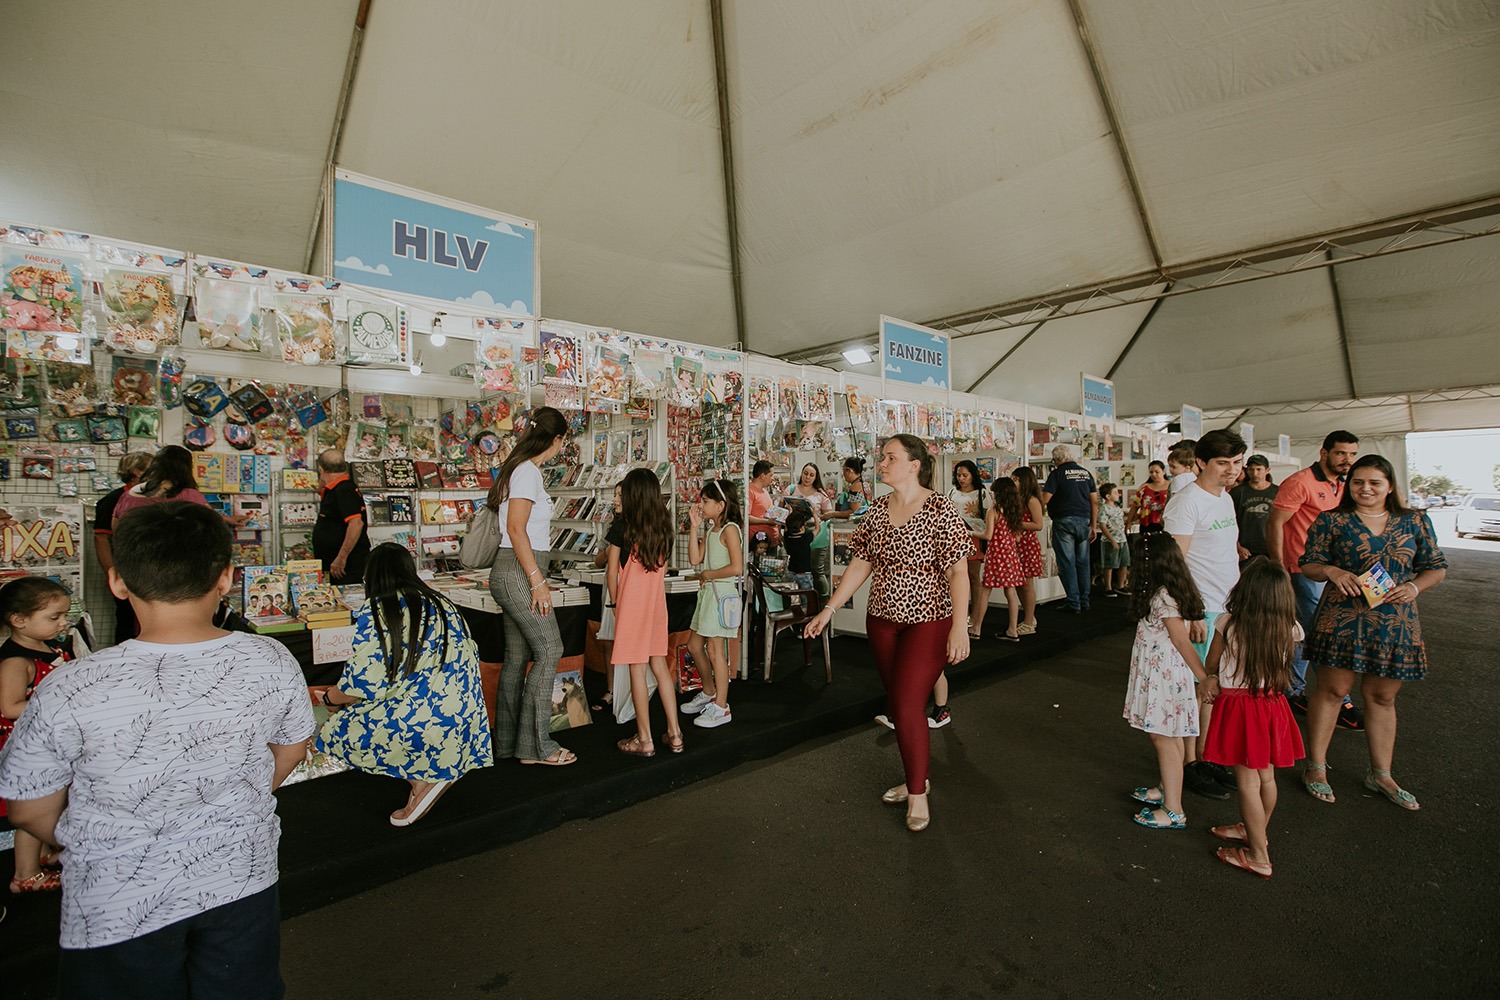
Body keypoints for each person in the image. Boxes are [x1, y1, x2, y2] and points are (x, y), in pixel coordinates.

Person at [0, 501, 314, 998]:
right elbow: (292, 748)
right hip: (242, 878)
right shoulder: (269, 657)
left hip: (117, 896)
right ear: (226, 578)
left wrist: (89, 834)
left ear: (118, 581)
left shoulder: (71, 685)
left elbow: (28, 808)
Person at [804, 435, 971, 833]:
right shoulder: (878, 509)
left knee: (910, 703)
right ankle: (918, 775)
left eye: (890, 458)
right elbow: (861, 563)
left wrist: (960, 627)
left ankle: (917, 793)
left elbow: (959, 572)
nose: (881, 463)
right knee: (899, 704)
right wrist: (828, 609)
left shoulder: (940, 508)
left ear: (914, 465)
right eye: (882, 458)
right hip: (881, 620)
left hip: (929, 620)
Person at [1298, 455, 1447, 810]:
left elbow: (1435, 567)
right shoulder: (1332, 520)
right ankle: (1315, 767)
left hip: (1394, 622)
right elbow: (1308, 564)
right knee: (1332, 691)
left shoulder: (1414, 521)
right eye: (1358, 482)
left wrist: (1414, 588)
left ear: (1390, 486)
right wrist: (1332, 572)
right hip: (1342, 618)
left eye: (1374, 483)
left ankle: (1381, 774)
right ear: (1349, 486)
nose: (1365, 489)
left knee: (1382, 698)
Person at [317, 543, 493, 825]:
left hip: (420, 720)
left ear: (370, 576)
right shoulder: (443, 603)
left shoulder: (379, 608)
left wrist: (328, 699)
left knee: (336, 730)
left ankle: (422, 782)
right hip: (466, 717)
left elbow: (360, 684)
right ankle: (434, 771)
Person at [1200, 559, 1306, 879]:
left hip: (1240, 707)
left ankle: (1258, 854)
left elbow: (1212, 662)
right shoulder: (1291, 628)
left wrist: (1211, 678)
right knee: (1267, 778)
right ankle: (1252, 829)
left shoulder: (1228, 623)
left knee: (1246, 782)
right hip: (1272, 705)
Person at [486, 407, 577, 766]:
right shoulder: (527, 473)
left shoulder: (519, 469)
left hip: (515, 569)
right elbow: (516, 529)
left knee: (518, 658)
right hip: (520, 571)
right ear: (557, 439)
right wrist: (538, 581)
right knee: (550, 650)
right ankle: (537, 746)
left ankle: (508, 742)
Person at [1162, 428, 1245, 801]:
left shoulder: (1224, 497)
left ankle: (1205, 759)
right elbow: (1174, 563)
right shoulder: (1186, 502)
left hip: (1226, 607)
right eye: (1223, 463)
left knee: (1212, 688)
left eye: (1237, 462)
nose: (1232, 470)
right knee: (1193, 692)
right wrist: (1190, 610)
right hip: (1202, 608)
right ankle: (1190, 765)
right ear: (1200, 463)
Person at [1266, 430, 1363, 727]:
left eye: (1351, 454)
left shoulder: (1344, 484)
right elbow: (1275, 523)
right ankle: (1339, 698)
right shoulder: (1300, 482)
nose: (1347, 460)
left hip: (1334, 571)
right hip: (1304, 570)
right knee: (1320, 633)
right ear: (1324, 453)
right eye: (1340, 453)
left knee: (1306, 633)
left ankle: (1293, 690)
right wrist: (1278, 566)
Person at [1123, 531, 1211, 830]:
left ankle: (1174, 809)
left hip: (1164, 679)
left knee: (1165, 738)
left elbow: (1181, 641)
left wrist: (1205, 679)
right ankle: (1165, 787)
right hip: (1161, 675)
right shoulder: (1168, 590)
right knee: (1163, 735)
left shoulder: (1163, 596)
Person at [0, 577, 74, 894]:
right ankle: (25, 875)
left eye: (63, 615)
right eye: (54, 617)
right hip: (26, 749)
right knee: (33, 812)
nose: (64, 622)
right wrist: (53, 705)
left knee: (52, 801)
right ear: (19, 620)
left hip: (47, 744)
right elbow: (9, 705)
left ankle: (42, 856)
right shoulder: (16, 661)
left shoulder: (46, 647)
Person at [610, 468, 682, 757]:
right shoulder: (663, 528)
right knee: (659, 666)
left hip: (631, 607)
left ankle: (644, 738)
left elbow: (611, 575)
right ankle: (675, 734)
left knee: (636, 670)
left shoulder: (622, 527)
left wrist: (616, 607)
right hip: (656, 606)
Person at [682, 479, 744, 729]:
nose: (701, 504)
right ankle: (709, 692)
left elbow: (737, 567)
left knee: (716, 651)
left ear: (720, 505)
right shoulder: (712, 530)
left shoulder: (730, 529)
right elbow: (696, 559)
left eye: (706, 501)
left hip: (720, 595)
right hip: (709, 595)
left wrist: (708, 575)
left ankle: (721, 706)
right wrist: (695, 527)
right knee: (694, 646)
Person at [111, 445, 249, 530]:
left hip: (134, 561)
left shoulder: (128, 495)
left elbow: (116, 528)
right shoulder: (188, 495)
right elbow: (210, 521)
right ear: (186, 468)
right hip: (173, 562)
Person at [92, 451, 153, 645]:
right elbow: (101, 539)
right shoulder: (113, 500)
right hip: (127, 572)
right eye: (151, 468)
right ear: (136, 472)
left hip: (151, 572)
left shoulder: (151, 497)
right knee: (127, 620)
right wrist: (111, 573)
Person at [1041, 445, 1098, 613]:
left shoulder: (1057, 474)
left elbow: (1045, 498)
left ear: (1057, 459)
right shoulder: (1086, 474)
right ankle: (1085, 600)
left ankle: (1074, 603)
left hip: (1064, 520)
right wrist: (1093, 525)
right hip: (1084, 521)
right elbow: (1094, 501)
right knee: (1083, 562)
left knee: (1067, 563)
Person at [976, 477, 1025, 642]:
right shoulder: (1015, 511)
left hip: (996, 555)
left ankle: (976, 628)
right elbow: (1017, 537)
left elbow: (987, 535)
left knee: (985, 591)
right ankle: (1013, 629)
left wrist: (970, 532)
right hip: (1010, 556)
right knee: (1010, 592)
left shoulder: (994, 511)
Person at [591, 483, 625, 714]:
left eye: (619, 495)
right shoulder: (613, 528)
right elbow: (598, 560)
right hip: (612, 586)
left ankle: (626, 692)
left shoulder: (642, 527)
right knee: (609, 639)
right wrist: (609, 552)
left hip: (628, 589)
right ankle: (612, 690)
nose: (615, 499)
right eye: (614, 495)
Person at [313, 449, 370, 584]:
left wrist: (341, 558)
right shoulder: (337, 488)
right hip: (335, 564)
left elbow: (356, 524)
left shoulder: (343, 490)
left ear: (320, 469)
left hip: (345, 567)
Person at [948, 460, 989, 635]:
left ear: (973, 474)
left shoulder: (982, 493)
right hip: (955, 537)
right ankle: (959, 615)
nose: (962, 479)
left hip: (974, 537)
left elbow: (988, 516)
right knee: (954, 576)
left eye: (965, 475)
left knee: (973, 576)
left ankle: (975, 616)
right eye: (958, 475)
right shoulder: (952, 492)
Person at [787, 463, 833, 596]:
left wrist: (816, 514)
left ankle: (823, 600)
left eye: (811, 475)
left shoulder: (820, 494)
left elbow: (828, 515)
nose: (807, 477)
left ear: (816, 477)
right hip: (794, 534)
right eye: (805, 473)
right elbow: (782, 510)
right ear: (801, 473)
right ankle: (800, 601)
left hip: (816, 533)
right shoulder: (791, 489)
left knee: (817, 570)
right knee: (797, 569)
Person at [1011, 466, 1045, 635]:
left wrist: (1016, 523)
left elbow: (1038, 524)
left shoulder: (1032, 500)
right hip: (1015, 544)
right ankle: (1028, 616)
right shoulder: (1016, 499)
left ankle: (1029, 621)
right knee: (1018, 583)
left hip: (1027, 545)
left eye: (1017, 479)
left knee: (1027, 584)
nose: (1014, 482)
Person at [1231, 454, 1278, 565]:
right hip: (1246, 551)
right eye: (1251, 469)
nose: (1255, 473)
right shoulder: (1237, 492)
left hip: (1270, 549)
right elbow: (1230, 522)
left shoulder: (1278, 492)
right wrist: (1237, 546)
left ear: (1267, 470)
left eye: (1258, 469)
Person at [1098, 482, 1130, 597]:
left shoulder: (1117, 507)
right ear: (1108, 496)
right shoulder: (1104, 509)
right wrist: (1112, 540)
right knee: (1109, 565)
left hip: (1122, 539)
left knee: (1124, 563)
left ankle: (1121, 586)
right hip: (1110, 541)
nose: (1118, 495)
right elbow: (1102, 525)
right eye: (1115, 493)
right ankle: (1108, 587)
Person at [746, 460, 783, 548]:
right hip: (759, 545)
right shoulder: (750, 491)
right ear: (763, 476)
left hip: (771, 542)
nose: (772, 478)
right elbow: (746, 517)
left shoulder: (765, 491)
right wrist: (767, 521)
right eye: (771, 475)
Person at [1130, 461, 1170, 536]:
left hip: (1166, 523)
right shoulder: (1144, 488)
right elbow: (1134, 506)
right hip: (1147, 524)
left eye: (1157, 472)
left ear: (1164, 471)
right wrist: (1128, 523)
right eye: (1151, 472)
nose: (1154, 474)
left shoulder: (1172, 486)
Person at [827, 457, 870, 522]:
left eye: (844, 470)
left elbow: (855, 511)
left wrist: (832, 514)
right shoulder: (865, 484)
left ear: (849, 471)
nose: (843, 474)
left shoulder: (856, 486)